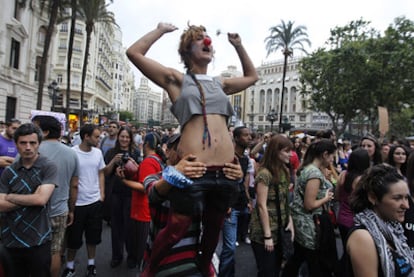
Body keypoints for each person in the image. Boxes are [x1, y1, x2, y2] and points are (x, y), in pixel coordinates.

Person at [127, 22, 258, 276]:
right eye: (199, 39)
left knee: (213, 230)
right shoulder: (177, 79)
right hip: (194, 171)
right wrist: (160, 30)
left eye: (207, 38)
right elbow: (134, 53)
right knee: (177, 228)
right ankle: (150, 269)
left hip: (226, 172)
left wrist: (239, 46)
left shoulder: (220, 83)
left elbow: (252, 77)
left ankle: (204, 266)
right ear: (187, 50)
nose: (207, 41)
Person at [0, 123, 57, 276]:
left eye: (32, 143)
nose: (28, 147)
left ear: (39, 144)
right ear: (16, 144)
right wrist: (31, 196)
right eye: (23, 143)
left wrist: (10, 196)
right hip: (11, 239)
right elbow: (0, 205)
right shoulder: (9, 171)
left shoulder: (48, 167)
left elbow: (41, 200)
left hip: (39, 239)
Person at [32, 115, 80, 277]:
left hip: (32, 210)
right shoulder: (71, 153)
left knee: (30, 250)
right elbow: (74, 185)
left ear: (44, 132)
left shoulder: (31, 150)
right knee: (55, 251)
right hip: (60, 210)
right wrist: (71, 209)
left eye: (35, 128)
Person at [346, 164, 414, 277]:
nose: (406, 205)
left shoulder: (394, 229)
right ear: (373, 197)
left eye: (406, 197)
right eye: (397, 198)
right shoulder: (363, 237)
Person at [282, 139, 336, 277]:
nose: (332, 159)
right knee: (313, 261)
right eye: (332, 156)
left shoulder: (309, 168)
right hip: (309, 223)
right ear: (325, 154)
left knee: (299, 257)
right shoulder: (314, 174)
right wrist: (326, 198)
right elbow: (309, 204)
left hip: (303, 221)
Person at [62, 124, 106, 277]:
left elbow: (101, 173)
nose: (98, 139)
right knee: (73, 239)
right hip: (77, 204)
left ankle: (91, 265)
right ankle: (69, 266)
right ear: (86, 136)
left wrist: (102, 193)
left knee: (93, 238)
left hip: (94, 202)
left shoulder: (98, 153)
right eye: (96, 136)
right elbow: (67, 178)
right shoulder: (71, 153)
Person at [120, 132, 167, 271]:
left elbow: (143, 187)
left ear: (145, 144)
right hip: (149, 209)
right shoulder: (157, 159)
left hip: (142, 211)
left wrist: (123, 181)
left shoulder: (148, 161)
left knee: (140, 249)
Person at [249, 135, 295, 277]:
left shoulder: (284, 171)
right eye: (286, 151)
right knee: (266, 271)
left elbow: (285, 201)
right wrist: (267, 236)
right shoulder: (264, 174)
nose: (290, 154)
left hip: (280, 228)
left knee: (276, 270)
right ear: (276, 151)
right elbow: (261, 206)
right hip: (263, 231)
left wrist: (290, 222)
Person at [103, 126, 141, 269]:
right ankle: (116, 256)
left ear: (131, 139)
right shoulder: (111, 152)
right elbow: (105, 172)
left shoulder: (135, 152)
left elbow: (139, 173)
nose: (124, 139)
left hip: (131, 193)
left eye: (127, 137)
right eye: (122, 136)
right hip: (115, 193)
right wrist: (113, 161)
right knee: (116, 226)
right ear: (118, 137)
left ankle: (132, 256)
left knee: (130, 227)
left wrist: (132, 163)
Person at [219, 126, 252, 277]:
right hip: (230, 207)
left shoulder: (245, 159)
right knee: (230, 247)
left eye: (250, 135)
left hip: (242, 204)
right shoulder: (228, 157)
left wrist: (249, 201)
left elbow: (244, 183)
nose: (249, 138)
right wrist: (227, 204)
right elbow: (223, 182)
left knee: (234, 245)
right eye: (245, 135)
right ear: (237, 138)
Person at [335, 149, 370, 254]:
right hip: (356, 221)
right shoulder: (363, 180)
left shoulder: (343, 174)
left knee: (346, 251)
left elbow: (337, 196)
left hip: (342, 217)